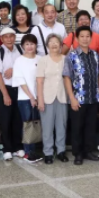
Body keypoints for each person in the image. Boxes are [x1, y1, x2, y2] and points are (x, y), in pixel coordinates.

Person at [64, 26, 99, 165]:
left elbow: (97, 75)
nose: (85, 39)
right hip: (78, 98)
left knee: (90, 126)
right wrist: (72, 98)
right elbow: (67, 77)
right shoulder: (71, 55)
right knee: (77, 127)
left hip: (93, 97)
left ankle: (88, 151)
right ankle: (78, 153)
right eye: (82, 36)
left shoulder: (95, 55)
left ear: (91, 38)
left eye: (88, 36)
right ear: (77, 38)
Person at [0, 28, 24, 161]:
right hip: (5, 88)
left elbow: (24, 65)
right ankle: (7, 148)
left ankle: (18, 147)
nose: (9, 39)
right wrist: (5, 94)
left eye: (12, 36)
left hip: (20, 89)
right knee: (5, 120)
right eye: (6, 37)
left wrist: (14, 69)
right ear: (2, 38)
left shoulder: (20, 49)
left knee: (18, 119)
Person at [37, 34, 68, 164]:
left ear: (61, 45)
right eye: (51, 42)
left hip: (62, 96)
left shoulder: (66, 59)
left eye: (57, 42)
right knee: (47, 126)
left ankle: (61, 151)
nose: (54, 44)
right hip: (47, 97)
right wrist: (40, 100)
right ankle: (48, 152)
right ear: (47, 45)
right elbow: (39, 82)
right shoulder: (43, 60)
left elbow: (69, 79)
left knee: (61, 125)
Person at [13, 34, 43, 163]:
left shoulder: (41, 59)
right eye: (27, 44)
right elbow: (20, 80)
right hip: (25, 97)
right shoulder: (19, 60)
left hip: (40, 97)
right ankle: (28, 152)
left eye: (32, 44)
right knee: (28, 124)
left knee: (38, 124)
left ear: (36, 45)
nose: (30, 46)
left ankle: (36, 150)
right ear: (22, 46)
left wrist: (39, 97)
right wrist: (31, 96)